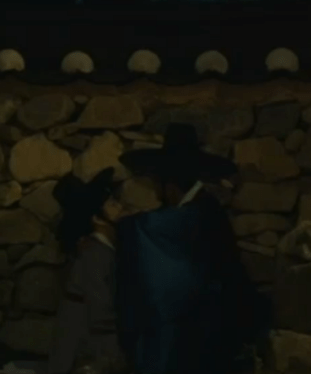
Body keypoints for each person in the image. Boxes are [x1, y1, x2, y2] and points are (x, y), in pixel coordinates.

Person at [114, 123, 272, 374]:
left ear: (169, 185)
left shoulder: (198, 214)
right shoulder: (202, 211)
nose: (155, 192)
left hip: (199, 333)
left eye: (156, 184)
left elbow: (144, 230)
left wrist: (120, 224)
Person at [48, 167, 129, 374]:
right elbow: (101, 314)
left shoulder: (102, 250)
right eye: (112, 204)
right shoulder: (94, 254)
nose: (120, 208)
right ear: (97, 218)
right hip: (83, 356)